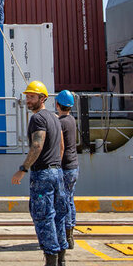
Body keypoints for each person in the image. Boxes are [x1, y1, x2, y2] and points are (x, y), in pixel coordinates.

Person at [11, 80, 68, 266]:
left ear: (43, 98)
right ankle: (61, 263)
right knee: (59, 217)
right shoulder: (55, 118)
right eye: (27, 96)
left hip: (43, 175)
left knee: (44, 218)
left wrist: (23, 169)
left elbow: (37, 146)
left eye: (32, 97)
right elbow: (61, 146)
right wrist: (55, 167)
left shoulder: (38, 119)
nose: (28, 100)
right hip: (57, 173)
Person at [55, 90, 79, 250]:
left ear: (57, 104)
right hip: (74, 166)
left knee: (62, 202)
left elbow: (60, 146)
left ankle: (65, 236)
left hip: (64, 167)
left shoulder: (60, 123)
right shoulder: (71, 120)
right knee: (69, 200)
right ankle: (70, 234)